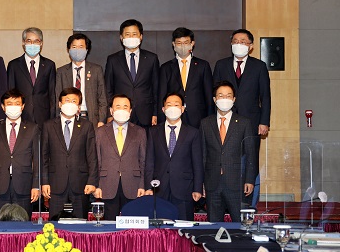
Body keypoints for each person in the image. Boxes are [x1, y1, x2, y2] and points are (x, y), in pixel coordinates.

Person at [212, 29, 271, 205]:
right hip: (225, 121)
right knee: (225, 159)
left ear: (250, 46)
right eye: (236, 41)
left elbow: (265, 96)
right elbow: (213, 94)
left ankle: (249, 203)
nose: (239, 44)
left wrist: (264, 122)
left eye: (243, 41)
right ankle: (224, 199)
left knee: (250, 160)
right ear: (231, 44)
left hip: (251, 122)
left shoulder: (259, 66)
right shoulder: (221, 65)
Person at [200, 81, 257, 222]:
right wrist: (201, 182)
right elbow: (203, 155)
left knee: (240, 226)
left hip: (237, 183)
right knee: (214, 227)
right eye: (221, 95)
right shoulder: (205, 123)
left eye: (228, 96)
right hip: (212, 184)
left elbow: (250, 153)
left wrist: (250, 179)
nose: (224, 99)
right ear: (215, 99)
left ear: (234, 99)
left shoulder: (244, 122)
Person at [144, 92, 203, 221]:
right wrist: (148, 187)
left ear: (182, 109)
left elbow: (197, 163)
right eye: (169, 105)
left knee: (184, 228)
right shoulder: (153, 132)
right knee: (160, 228)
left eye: (176, 105)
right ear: (163, 109)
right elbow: (149, 161)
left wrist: (197, 188)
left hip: (184, 189)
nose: (173, 108)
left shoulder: (193, 133)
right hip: (159, 189)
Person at [42, 87, 98, 219]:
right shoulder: (48, 125)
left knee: (81, 223)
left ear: (79, 106)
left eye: (74, 101)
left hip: (80, 183)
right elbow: (43, 156)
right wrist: (44, 182)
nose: (70, 104)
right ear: (59, 103)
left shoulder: (87, 126)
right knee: (55, 223)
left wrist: (92, 181)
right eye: (67, 100)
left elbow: (92, 156)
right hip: (55, 183)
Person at [0, 89, 40, 218]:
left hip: (24, 185)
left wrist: (36, 186)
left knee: (24, 222)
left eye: (17, 103)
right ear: (3, 107)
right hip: (0, 185)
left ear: (23, 106)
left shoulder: (33, 128)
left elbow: (37, 159)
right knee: (1, 224)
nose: (13, 107)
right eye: (9, 104)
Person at [94, 94, 147, 220]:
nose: (121, 110)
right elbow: (97, 160)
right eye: (118, 107)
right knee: (109, 225)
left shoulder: (140, 132)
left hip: (133, 185)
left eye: (125, 107)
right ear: (111, 110)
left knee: (131, 226)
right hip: (107, 185)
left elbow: (143, 160)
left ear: (130, 111)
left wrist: (142, 185)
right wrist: (97, 185)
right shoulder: (100, 132)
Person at [105, 19, 159, 128]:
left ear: (141, 36)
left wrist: (155, 113)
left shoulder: (151, 58)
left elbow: (156, 88)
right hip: (120, 113)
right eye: (127, 34)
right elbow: (108, 89)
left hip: (145, 114)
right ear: (121, 37)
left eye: (134, 34)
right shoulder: (113, 60)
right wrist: (109, 114)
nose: (131, 37)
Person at [158, 27, 214, 128]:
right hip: (173, 116)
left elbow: (209, 95)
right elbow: (162, 95)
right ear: (173, 44)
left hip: (198, 116)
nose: (182, 46)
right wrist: (161, 120)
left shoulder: (203, 65)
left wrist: (210, 119)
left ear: (192, 43)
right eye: (179, 43)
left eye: (186, 42)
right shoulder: (166, 67)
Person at [7, 27, 56, 130]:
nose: (32, 44)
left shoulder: (49, 65)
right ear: (23, 43)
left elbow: (52, 94)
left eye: (36, 41)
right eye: (29, 41)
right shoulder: (14, 65)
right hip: (21, 116)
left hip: (43, 117)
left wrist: (52, 118)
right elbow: (10, 93)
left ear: (41, 43)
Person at [55, 33, 108, 128]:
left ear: (87, 49)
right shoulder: (61, 71)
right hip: (68, 117)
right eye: (74, 47)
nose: (77, 50)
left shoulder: (96, 70)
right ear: (69, 49)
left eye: (81, 47)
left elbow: (102, 98)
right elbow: (57, 98)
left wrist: (101, 120)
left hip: (91, 118)